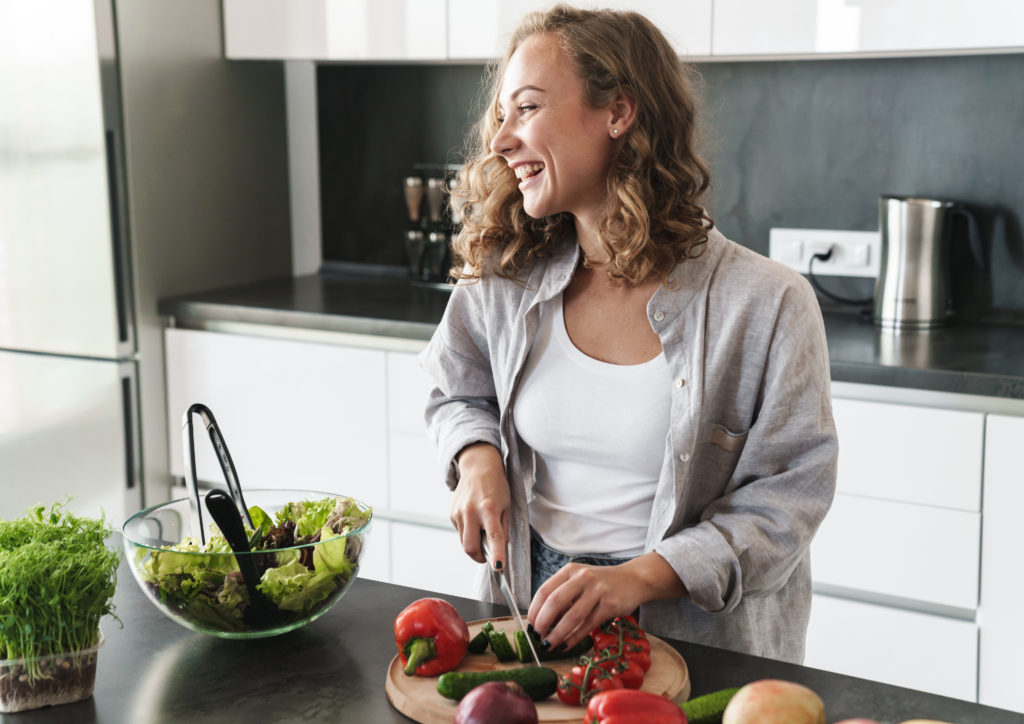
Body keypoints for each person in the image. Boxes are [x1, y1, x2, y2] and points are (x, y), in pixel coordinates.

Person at [419, 5, 838, 664]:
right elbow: (456, 391)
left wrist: (637, 579)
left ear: (618, 112)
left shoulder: (768, 304)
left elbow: (785, 504)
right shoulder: (506, 277)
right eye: (501, 115)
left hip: (693, 636)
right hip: (531, 613)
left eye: (527, 108)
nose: (500, 140)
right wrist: (477, 460)